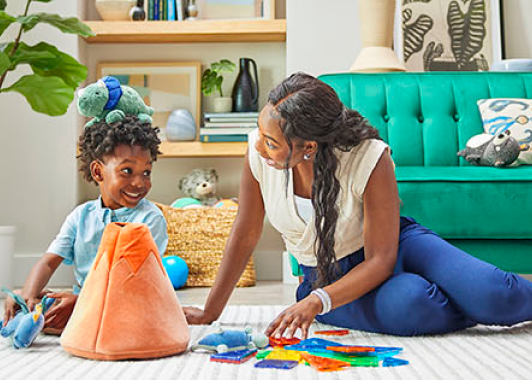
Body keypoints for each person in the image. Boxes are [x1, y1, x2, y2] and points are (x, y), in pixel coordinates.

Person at [183, 72, 532, 338]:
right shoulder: (259, 155)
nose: (260, 147)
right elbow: (244, 234)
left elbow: (381, 259)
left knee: (496, 294)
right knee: (414, 303)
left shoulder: (368, 157)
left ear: (309, 147)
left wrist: (318, 302)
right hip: (329, 278)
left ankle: (486, 299)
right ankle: (474, 301)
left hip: (395, 246)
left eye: (271, 142)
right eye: (261, 135)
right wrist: (210, 312)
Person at [2, 116, 168, 334]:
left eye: (146, 172)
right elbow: (49, 262)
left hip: (131, 299)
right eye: (127, 171)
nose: (139, 183)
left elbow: (133, 284)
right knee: (39, 303)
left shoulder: (150, 219)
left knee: (127, 326)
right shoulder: (80, 216)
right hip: (86, 301)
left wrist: (80, 302)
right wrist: (28, 295)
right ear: (98, 172)